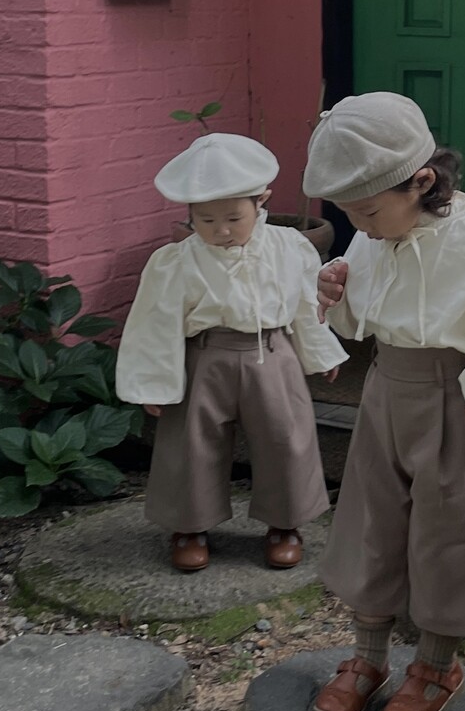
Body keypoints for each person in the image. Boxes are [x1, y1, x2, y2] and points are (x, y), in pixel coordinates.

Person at [302, 93, 465, 711]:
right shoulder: (377, 236)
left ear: (421, 182)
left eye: (367, 210)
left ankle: (437, 663)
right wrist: (335, 294)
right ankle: (369, 656)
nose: (359, 225)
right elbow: (367, 311)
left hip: (458, 402)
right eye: (347, 213)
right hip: (386, 393)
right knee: (372, 520)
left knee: (452, 530)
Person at [116, 133, 347, 573]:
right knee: (191, 443)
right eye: (205, 220)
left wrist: (322, 352)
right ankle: (189, 526)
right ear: (189, 214)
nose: (221, 230)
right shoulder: (176, 262)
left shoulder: (288, 247)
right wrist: (153, 383)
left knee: (285, 437)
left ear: (261, 202)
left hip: (272, 353)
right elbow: (155, 322)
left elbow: (305, 304)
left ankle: (285, 524)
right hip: (205, 357)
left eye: (233, 218)